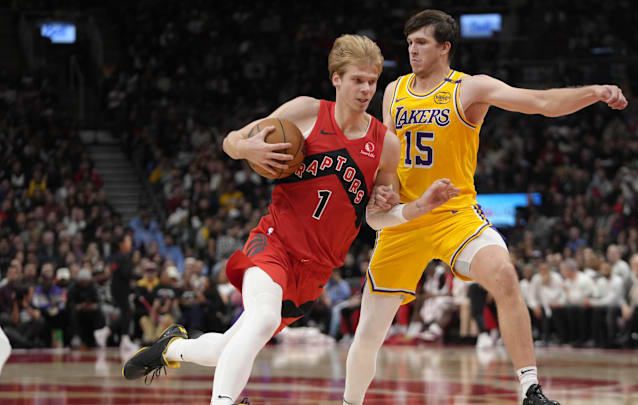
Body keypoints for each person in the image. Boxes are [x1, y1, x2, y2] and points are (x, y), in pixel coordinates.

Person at [121, 34, 459, 405]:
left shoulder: (385, 145)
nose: (365, 89)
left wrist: (416, 206)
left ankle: (173, 348)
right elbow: (231, 140)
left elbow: (377, 220)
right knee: (262, 319)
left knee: (229, 348)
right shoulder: (307, 112)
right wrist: (245, 146)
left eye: (372, 81)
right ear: (336, 79)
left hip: (314, 272)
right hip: (274, 243)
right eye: (357, 80)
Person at [343, 9, 627, 405]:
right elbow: (388, 158)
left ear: (445, 48)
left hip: (454, 214)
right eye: (409, 43)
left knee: (505, 276)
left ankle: (531, 389)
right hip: (405, 220)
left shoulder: (469, 89)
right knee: (369, 332)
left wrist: (594, 91)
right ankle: (349, 402)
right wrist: (382, 189)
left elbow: (541, 102)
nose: (412, 50)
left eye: (421, 42)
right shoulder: (393, 91)